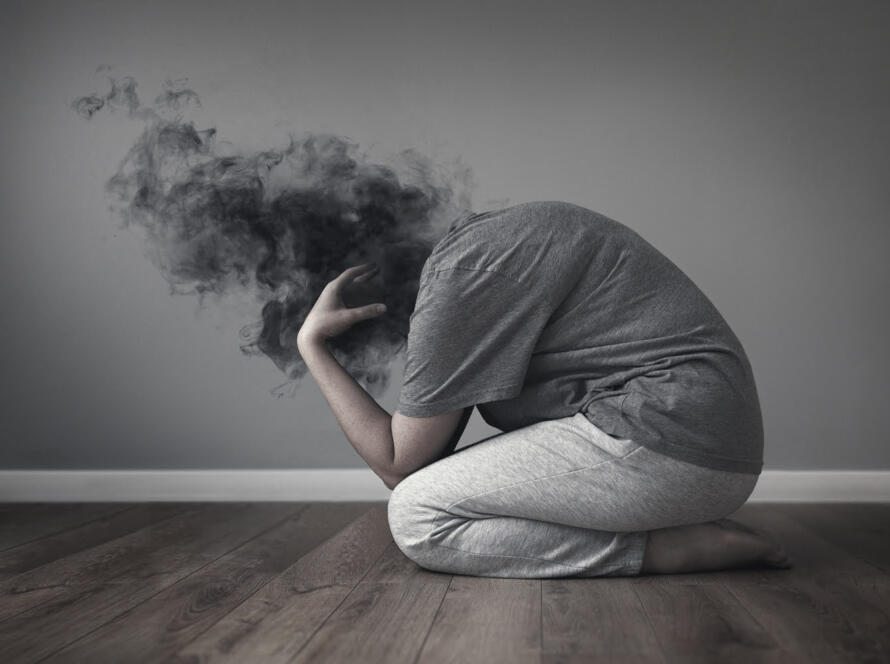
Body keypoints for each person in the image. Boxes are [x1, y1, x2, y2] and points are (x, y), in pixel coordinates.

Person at [297, 200, 790, 578]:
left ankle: (667, 549)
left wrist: (313, 345)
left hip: (668, 440)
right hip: (702, 440)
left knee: (417, 514)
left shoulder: (458, 279)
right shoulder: (491, 242)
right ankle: (667, 523)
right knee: (438, 488)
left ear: (358, 290)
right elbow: (429, 455)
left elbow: (398, 464)